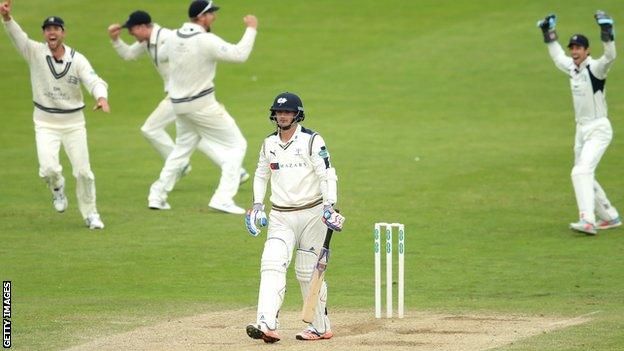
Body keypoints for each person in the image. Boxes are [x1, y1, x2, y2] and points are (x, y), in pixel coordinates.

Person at [244, 92, 345, 343]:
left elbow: (327, 174)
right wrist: (257, 204)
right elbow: (260, 174)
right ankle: (266, 323)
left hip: (312, 213)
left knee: (306, 270)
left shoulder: (312, 140)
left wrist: (329, 205)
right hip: (280, 216)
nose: (282, 116)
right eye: (279, 112)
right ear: (273, 115)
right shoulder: (269, 144)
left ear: (297, 114)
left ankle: (320, 327)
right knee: (271, 263)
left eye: (287, 112)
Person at [107, 10, 249, 186]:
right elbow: (128, 54)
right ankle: (238, 171)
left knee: (150, 129)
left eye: (132, 30)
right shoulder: (147, 42)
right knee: (196, 135)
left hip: (181, 96)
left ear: (143, 27)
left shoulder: (168, 37)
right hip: (179, 95)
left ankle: (180, 165)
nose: (130, 34)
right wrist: (115, 40)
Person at [1, 1, 109, 229]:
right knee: (49, 169)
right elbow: (18, 37)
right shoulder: (35, 52)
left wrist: (101, 97)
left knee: (84, 173)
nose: (52, 32)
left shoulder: (76, 59)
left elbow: (93, 79)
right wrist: (7, 19)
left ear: (63, 33)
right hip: (45, 122)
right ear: (44, 34)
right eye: (48, 29)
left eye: (56, 29)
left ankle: (91, 214)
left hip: (74, 123)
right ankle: (57, 188)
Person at [147, 0, 256, 214]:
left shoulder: (172, 37)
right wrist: (251, 28)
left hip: (179, 106)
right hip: (202, 106)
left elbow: (161, 56)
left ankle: (157, 195)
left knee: (181, 150)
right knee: (237, 145)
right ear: (201, 17)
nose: (214, 17)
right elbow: (239, 55)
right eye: (211, 13)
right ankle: (223, 197)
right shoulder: (205, 40)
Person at [538, 11, 621, 235]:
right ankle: (610, 215)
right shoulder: (572, 69)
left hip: (598, 129)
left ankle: (587, 220)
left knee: (580, 172)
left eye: (578, 48)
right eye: (572, 47)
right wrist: (549, 32)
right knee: (584, 173)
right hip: (581, 130)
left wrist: (606, 31)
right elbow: (557, 57)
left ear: (587, 51)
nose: (574, 51)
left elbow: (610, 56)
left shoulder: (595, 68)